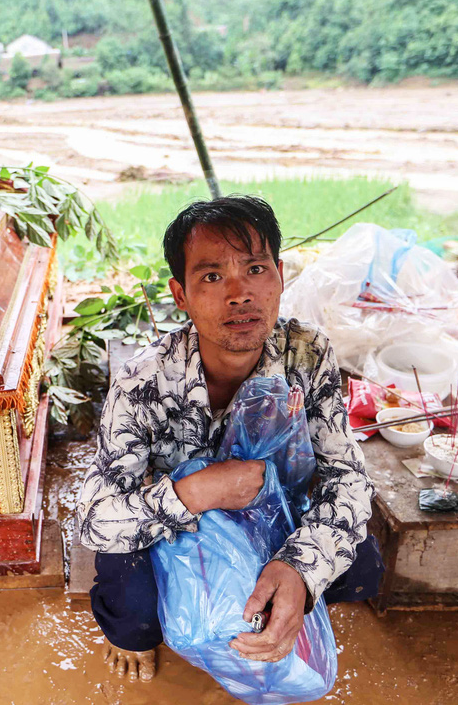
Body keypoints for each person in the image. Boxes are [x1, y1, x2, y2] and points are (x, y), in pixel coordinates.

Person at [75, 195, 382, 683]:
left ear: (280, 275)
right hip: (179, 523)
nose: (239, 294)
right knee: (134, 613)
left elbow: (348, 479)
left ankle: (272, 614)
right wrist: (196, 492)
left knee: (361, 568)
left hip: (269, 511)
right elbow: (95, 521)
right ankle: (132, 638)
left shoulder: (307, 353)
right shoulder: (143, 380)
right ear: (181, 294)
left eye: (256, 269)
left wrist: (299, 569)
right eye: (212, 277)